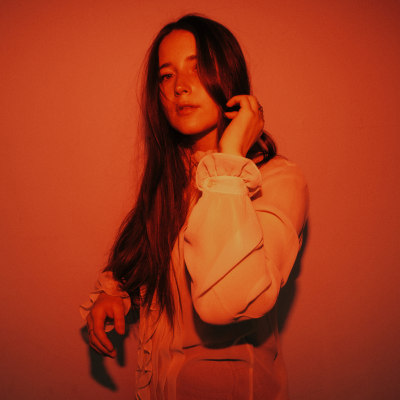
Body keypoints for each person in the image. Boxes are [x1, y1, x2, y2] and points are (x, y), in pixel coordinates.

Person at [80, 14, 308, 400]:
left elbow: (228, 300)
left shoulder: (277, 180)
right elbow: (157, 259)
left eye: (197, 68)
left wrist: (231, 155)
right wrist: (115, 293)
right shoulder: (172, 180)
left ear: (227, 75)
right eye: (166, 75)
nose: (180, 87)